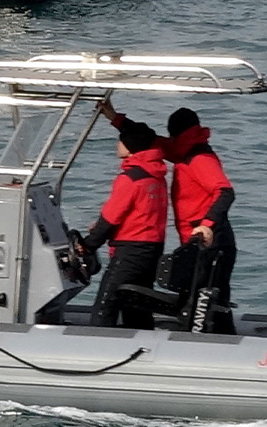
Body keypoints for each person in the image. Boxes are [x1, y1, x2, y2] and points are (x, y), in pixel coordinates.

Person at [99, 100, 238, 334]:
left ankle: (216, 340)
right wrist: (115, 118)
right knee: (202, 292)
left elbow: (225, 191)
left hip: (210, 239)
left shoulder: (199, 159)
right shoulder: (183, 151)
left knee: (208, 294)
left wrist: (207, 225)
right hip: (196, 241)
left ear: (175, 133)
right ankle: (219, 335)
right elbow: (146, 140)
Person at [75, 121, 168, 329]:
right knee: (136, 304)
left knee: (106, 303)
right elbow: (140, 214)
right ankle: (142, 344)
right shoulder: (156, 175)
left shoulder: (130, 179)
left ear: (129, 146)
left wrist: (89, 244)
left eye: (121, 140)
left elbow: (111, 216)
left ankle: (98, 347)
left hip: (130, 252)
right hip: (152, 249)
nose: (117, 144)